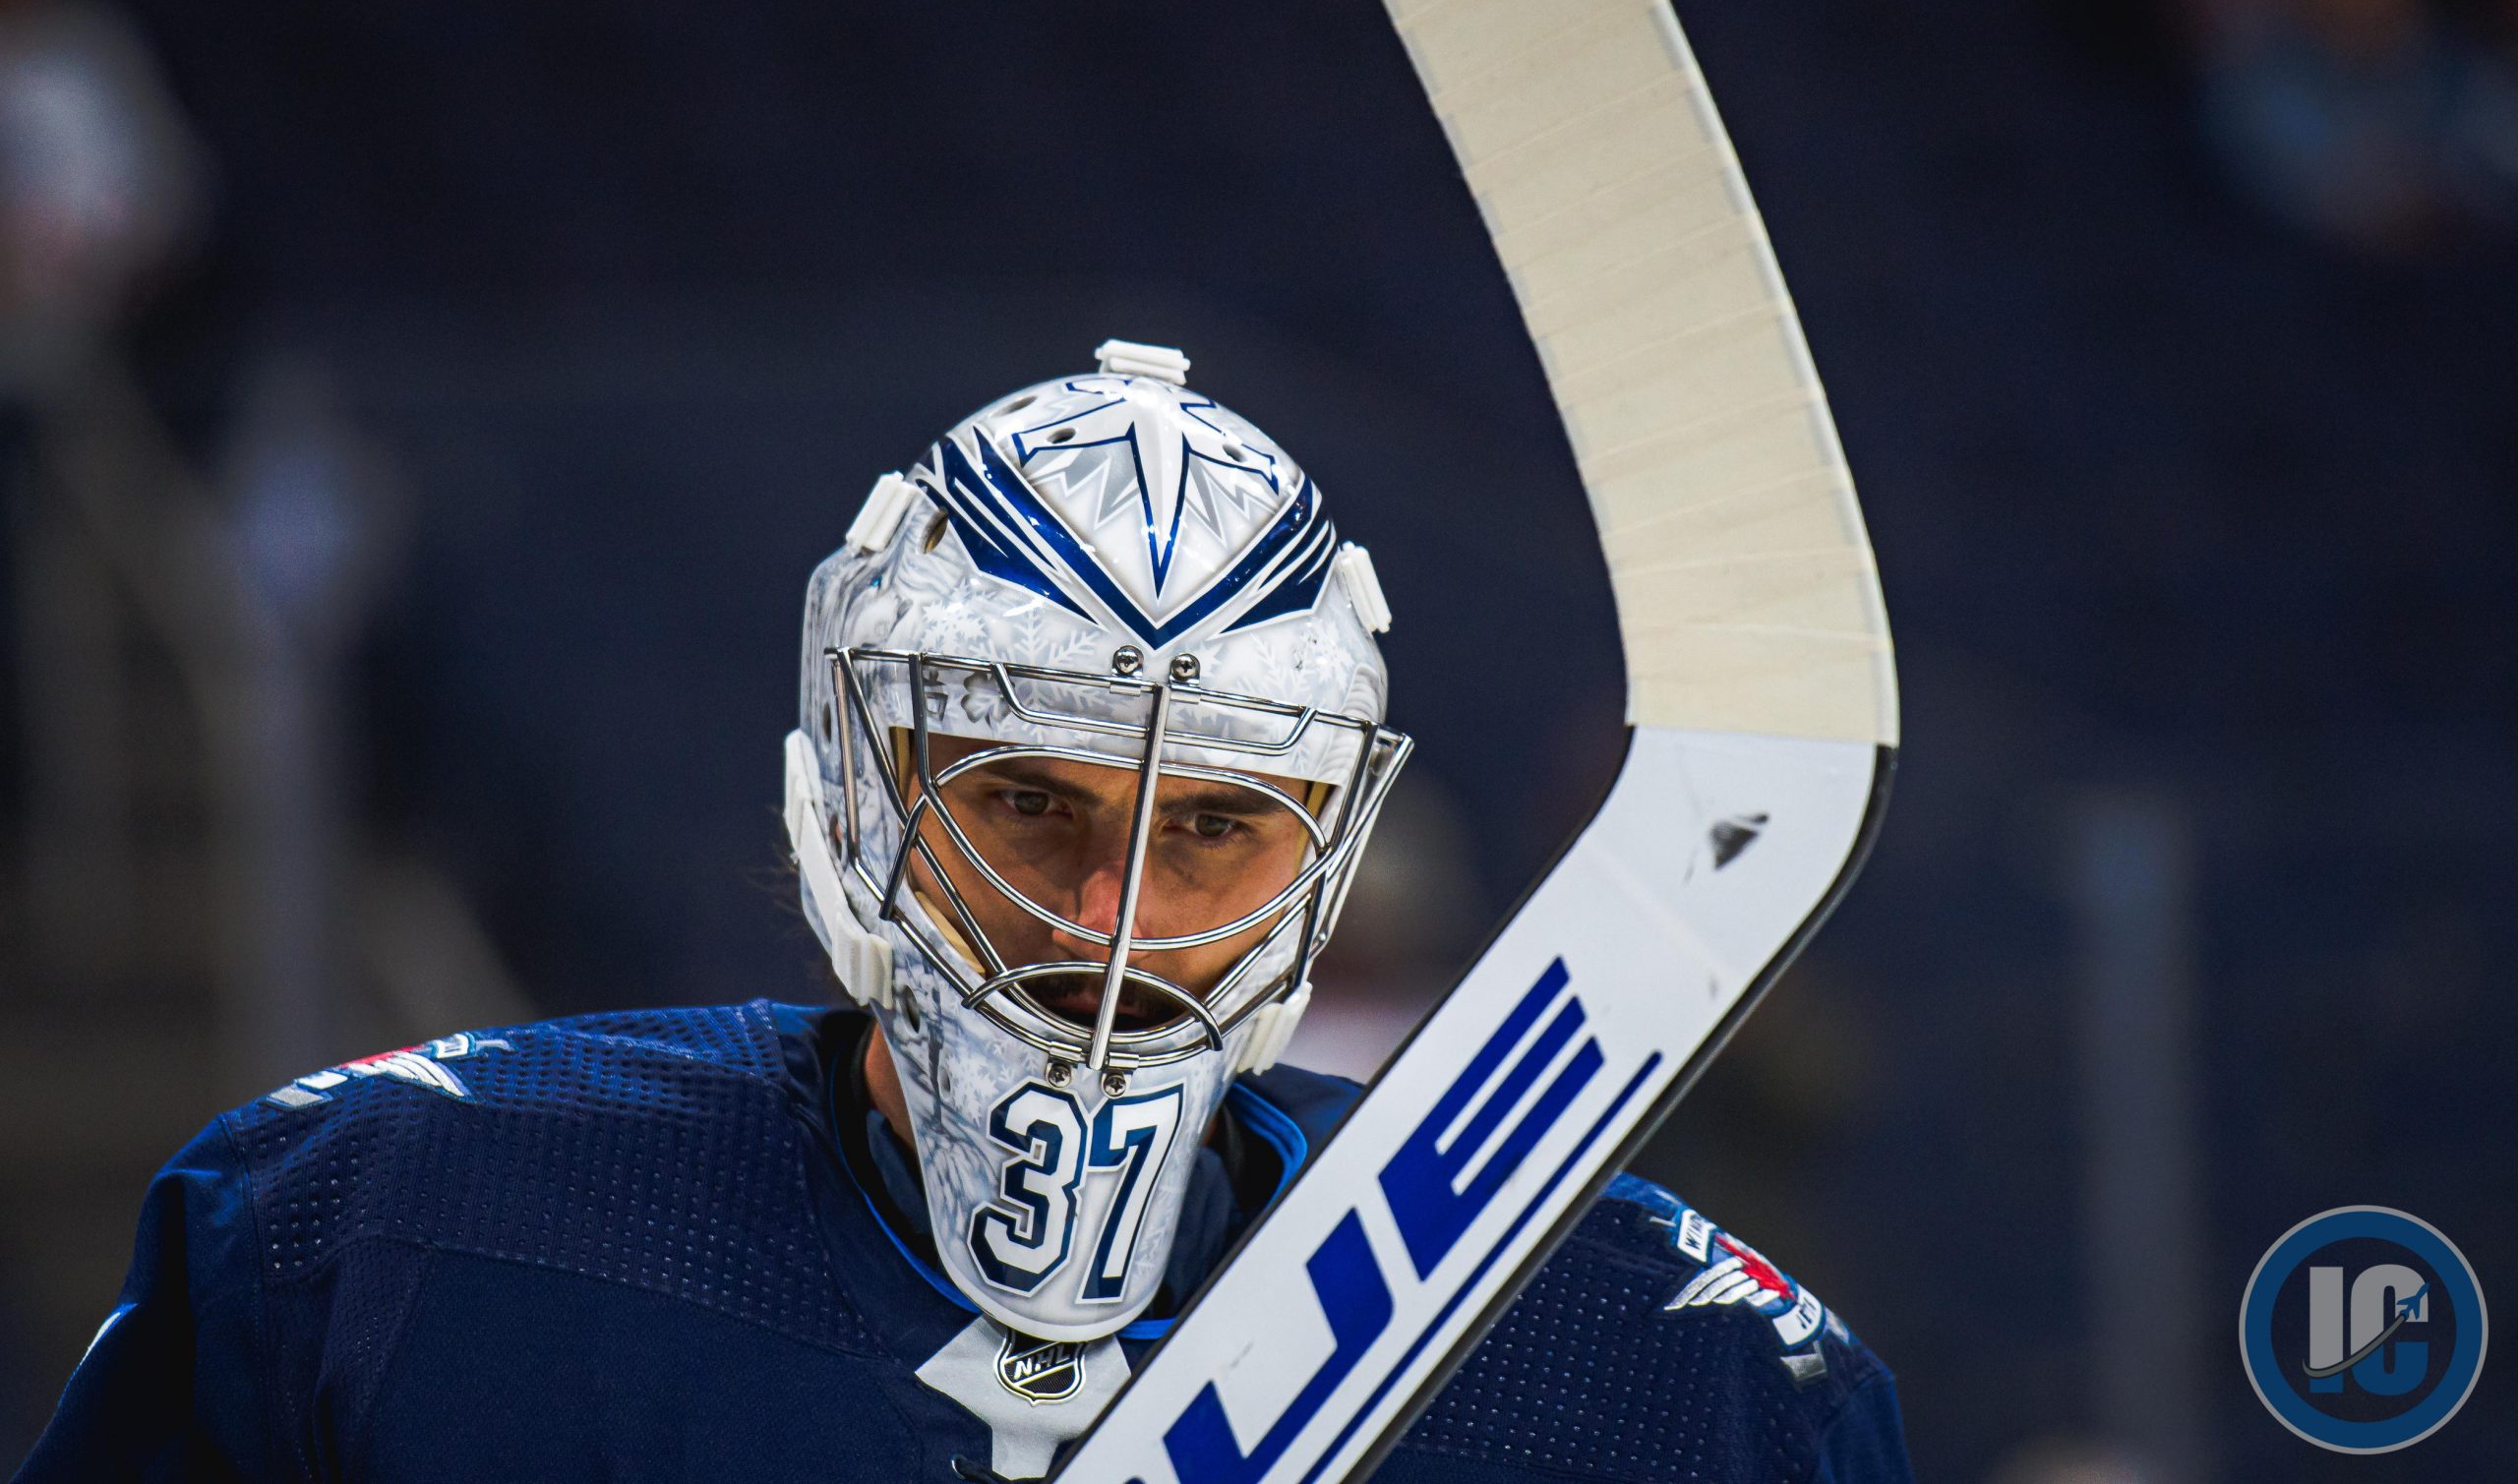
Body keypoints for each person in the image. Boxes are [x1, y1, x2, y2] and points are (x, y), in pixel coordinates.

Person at [14, 341, 1915, 1482]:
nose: (1108, 916)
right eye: (1030, 802)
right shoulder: (374, 1228)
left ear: (1330, 857)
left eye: (1217, 832)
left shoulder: (1677, 1372)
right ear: (861, 780)